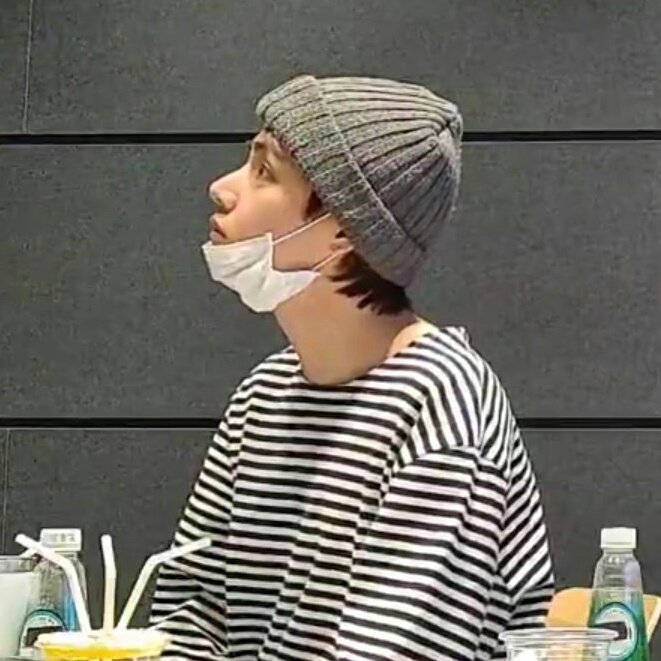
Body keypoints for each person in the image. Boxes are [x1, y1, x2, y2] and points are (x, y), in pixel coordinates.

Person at [149, 74, 554, 661]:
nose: (222, 188)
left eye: (264, 171)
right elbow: (189, 617)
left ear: (343, 232)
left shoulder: (441, 403)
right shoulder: (262, 395)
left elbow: (394, 650)